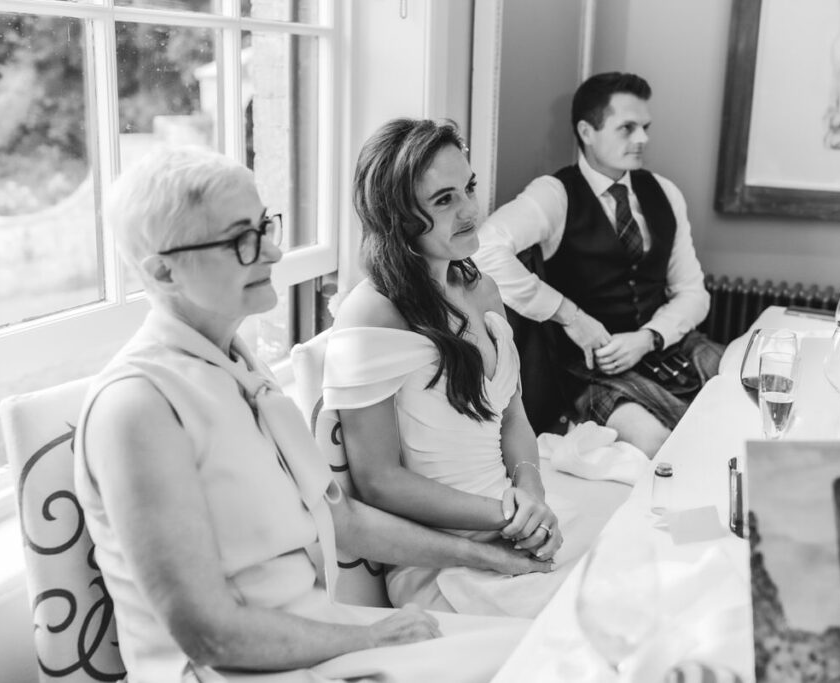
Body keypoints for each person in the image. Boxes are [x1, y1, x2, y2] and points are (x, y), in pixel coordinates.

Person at [73, 145, 546, 683]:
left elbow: (342, 521)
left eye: (264, 227)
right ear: (164, 272)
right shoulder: (137, 406)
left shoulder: (240, 368)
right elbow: (209, 635)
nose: (273, 253)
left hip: (320, 635)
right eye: (240, 240)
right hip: (239, 669)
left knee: (553, 648)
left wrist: (485, 557)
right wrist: (369, 636)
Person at [324, 119, 607, 619]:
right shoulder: (373, 313)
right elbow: (379, 481)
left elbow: (513, 415)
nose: (470, 211)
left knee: (640, 564)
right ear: (397, 218)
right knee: (596, 617)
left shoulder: (483, 288)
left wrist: (531, 492)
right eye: (444, 200)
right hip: (442, 558)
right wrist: (508, 515)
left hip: (509, 516)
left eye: (469, 188)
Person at [473, 71, 724, 457]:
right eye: (627, 128)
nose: (643, 139)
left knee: (744, 393)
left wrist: (649, 337)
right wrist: (571, 317)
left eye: (645, 127)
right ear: (587, 131)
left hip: (666, 345)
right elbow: (484, 249)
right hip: (591, 369)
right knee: (661, 444)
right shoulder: (554, 194)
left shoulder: (665, 193)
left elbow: (693, 293)